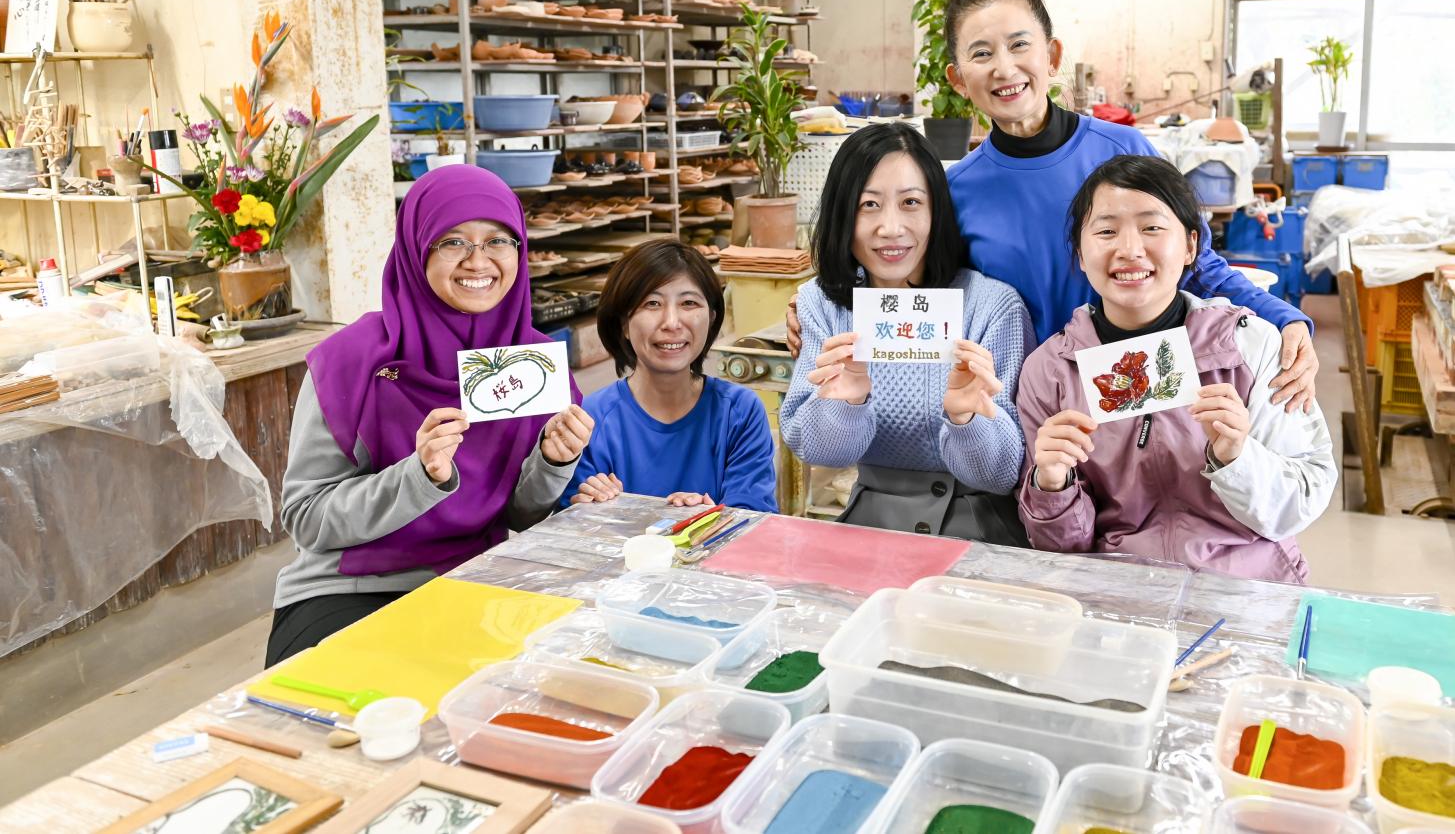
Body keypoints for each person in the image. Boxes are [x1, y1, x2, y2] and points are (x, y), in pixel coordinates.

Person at [940, 0, 1319, 411]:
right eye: (982, 54)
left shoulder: (1123, 150)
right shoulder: (956, 189)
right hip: (1027, 415)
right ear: (959, 79)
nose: (1004, 68)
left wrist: (1285, 318)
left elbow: (1195, 262)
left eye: (1020, 45)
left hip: (1137, 397)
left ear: (1052, 55)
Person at [268, 166, 593, 665]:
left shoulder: (533, 362)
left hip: (476, 575)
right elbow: (306, 519)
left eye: (498, 241)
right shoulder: (351, 362)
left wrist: (552, 462)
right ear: (416, 248)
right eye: (453, 242)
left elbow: (520, 517)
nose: (478, 260)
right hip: (350, 588)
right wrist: (415, 477)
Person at [1016, 155, 1334, 581]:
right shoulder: (1050, 371)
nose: (1129, 250)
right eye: (1106, 231)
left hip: (1246, 588)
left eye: (1152, 228)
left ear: (1190, 247)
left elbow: (1299, 503)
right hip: (1117, 592)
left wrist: (1238, 457)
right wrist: (1051, 484)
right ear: (1080, 253)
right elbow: (1062, 548)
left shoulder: (1253, 345)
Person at [781, 124, 1033, 543]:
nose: (891, 228)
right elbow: (817, 451)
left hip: (979, 526)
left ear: (937, 211)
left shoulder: (991, 305)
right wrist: (848, 402)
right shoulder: (821, 303)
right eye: (869, 205)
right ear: (844, 213)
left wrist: (967, 417)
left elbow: (1002, 473)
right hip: (873, 524)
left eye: (911, 203)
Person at [563, 240, 776, 512]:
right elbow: (569, 527)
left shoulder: (740, 412)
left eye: (689, 303)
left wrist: (710, 519)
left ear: (711, 318)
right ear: (624, 324)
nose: (672, 322)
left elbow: (754, 518)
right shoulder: (590, 419)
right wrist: (587, 511)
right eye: (652, 303)